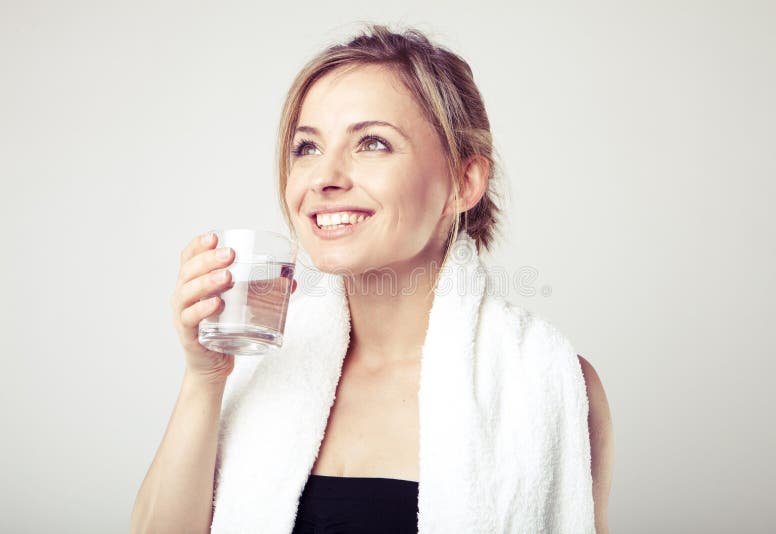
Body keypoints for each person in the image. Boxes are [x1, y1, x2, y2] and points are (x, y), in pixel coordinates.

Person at [131, 24, 613, 534]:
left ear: (463, 182)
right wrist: (204, 379)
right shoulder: (256, 364)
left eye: (373, 143)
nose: (324, 177)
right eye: (307, 148)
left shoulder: (546, 381)